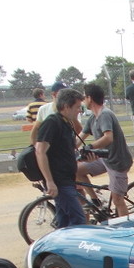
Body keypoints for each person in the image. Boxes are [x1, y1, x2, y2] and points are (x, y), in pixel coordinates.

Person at [34, 88, 87, 228]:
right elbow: (40, 151)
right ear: (65, 106)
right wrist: (50, 181)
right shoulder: (52, 122)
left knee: (64, 221)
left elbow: (66, 149)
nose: (79, 111)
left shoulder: (66, 123)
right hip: (60, 182)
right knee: (78, 220)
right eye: (77, 107)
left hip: (67, 179)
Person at [78, 84, 134, 216]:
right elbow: (80, 138)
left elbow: (108, 137)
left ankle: (127, 231)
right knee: (77, 170)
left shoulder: (105, 115)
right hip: (105, 159)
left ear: (90, 98)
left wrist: (90, 147)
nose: (83, 100)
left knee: (117, 200)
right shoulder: (93, 117)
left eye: (84, 97)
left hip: (117, 162)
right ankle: (95, 200)